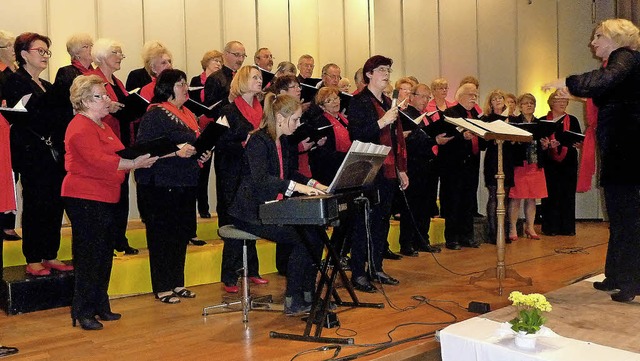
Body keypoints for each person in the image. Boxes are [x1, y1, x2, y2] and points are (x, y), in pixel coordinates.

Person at [542, 18, 640, 302]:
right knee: (620, 218)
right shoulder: (622, 65)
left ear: (617, 38)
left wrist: (568, 81)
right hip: (622, 153)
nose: (593, 42)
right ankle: (616, 276)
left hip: (629, 154)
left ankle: (630, 282)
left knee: (627, 219)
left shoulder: (626, 58)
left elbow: (603, 82)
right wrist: (574, 92)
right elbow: (604, 90)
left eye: (599, 36)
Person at [63, 75, 158, 330]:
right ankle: (82, 311)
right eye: (100, 96)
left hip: (106, 195)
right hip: (85, 196)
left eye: (106, 95)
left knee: (104, 254)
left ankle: (100, 304)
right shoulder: (79, 126)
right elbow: (99, 161)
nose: (107, 100)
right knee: (88, 255)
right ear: (84, 100)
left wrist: (148, 155)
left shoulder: (103, 126)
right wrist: (134, 164)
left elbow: (121, 153)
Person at [228, 93, 328, 315]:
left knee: (316, 235)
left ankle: (308, 295)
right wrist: (298, 188)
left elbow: (289, 172)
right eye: (295, 119)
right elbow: (261, 180)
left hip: (271, 208)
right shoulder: (258, 141)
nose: (298, 124)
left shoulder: (281, 140)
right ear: (280, 118)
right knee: (303, 239)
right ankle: (293, 299)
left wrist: (313, 183)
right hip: (250, 212)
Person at [135, 69, 212, 304]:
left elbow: (192, 143)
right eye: (180, 84)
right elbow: (145, 148)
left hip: (185, 181)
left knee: (180, 234)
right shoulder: (156, 114)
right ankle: (162, 286)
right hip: (160, 182)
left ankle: (177, 282)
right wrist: (176, 153)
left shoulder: (187, 112)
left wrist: (200, 154)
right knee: (162, 236)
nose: (185, 87)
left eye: (186, 83)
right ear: (167, 88)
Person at [4, 32, 72, 276]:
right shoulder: (14, 81)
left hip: (53, 151)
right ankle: (33, 258)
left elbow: (59, 117)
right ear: (24, 54)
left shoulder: (48, 85)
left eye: (46, 52)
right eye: (39, 51)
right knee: (35, 204)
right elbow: (26, 116)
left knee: (55, 203)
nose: (45, 56)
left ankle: (50, 254)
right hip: (32, 151)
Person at [347, 55, 406, 290]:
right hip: (368, 170)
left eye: (388, 70)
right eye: (381, 70)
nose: (386, 74)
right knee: (364, 223)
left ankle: (376, 267)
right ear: (369, 74)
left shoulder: (386, 103)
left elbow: (395, 141)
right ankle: (359, 272)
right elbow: (357, 135)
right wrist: (382, 122)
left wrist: (402, 170)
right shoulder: (359, 101)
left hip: (388, 170)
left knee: (381, 221)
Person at [216, 65, 267, 293]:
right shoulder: (227, 110)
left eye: (260, 77)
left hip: (254, 173)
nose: (259, 80)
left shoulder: (263, 110)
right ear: (243, 81)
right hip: (233, 173)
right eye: (255, 77)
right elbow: (221, 143)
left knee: (253, 220)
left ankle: (252, 270)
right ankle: (229, 275)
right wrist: (244, 142)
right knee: (235, 221)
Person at [90, 38, 139, 256]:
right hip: (103, 141)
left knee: (122, 193)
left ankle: (119, 237)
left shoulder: (117, 82)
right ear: (101, 56)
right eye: (116, 52)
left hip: (121, 140)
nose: (121, 57)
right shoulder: (91, 80)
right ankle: (107, 240)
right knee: (107, 194)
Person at [439, 83, 485, 250]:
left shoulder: (475, 115)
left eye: (476, 95)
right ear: (461, 96)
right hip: (454, 166)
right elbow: (445, 139)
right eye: (471, 95)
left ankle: (467, 236)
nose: (474, 98)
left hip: (471, 164)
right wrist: (461, 137)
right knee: (454, 202)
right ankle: (452, 238)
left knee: (468, 201)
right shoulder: (451, 113)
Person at [398, 83, 441, 256]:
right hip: (412, 165)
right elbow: (407, 142)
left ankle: (423, 239)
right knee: (411, 205)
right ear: (412, 97)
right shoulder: (406, 116)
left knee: (425, 204)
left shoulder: (426, 117)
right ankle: (407, 242)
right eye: (422, 96)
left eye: (427, 97)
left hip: (428, 164)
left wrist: (435, 138)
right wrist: (433, 140)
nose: (425, 100)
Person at [507, 93, 552, 242]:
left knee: (532, 197)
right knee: (516, 197)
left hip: (535, 164)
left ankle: (530, 226)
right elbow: (508, 145)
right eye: (525, 103)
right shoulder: (514, 122)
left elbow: (542, 144)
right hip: (520, 164)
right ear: (520, 106)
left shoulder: (540, 124)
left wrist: (545, 146)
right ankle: (513, 228)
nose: (529, 105)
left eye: (531, 103)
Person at [540, 90, 581, 236]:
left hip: (568, 162)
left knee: (567, 193)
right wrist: (546, 144)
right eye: (559, 101)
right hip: (550, 161)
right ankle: (550, 227)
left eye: (565, 101)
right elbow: (538, 141)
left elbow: (578, 139)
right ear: (551, 102)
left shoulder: (573, 120)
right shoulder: (543, 120)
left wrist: (577, 144)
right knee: (550, 194)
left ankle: (567, 228)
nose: (563, 103)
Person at [190, 49, 223, 219]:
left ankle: (216, 206)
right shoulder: (197, 80)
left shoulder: (222, 80)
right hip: (201, 127)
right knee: (202, 168)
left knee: (219, 168)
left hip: (217, 126)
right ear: (206, 62)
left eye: (220, 61)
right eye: (214, 60)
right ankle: (203, 207)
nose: (218, 63)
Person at [481, 89, 515, 244]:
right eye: (494, 98)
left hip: (507, 158)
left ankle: (505, 232)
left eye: (500, 97)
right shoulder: (486, 119)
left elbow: (518, 142)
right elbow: (482, 143)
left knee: (506, 195)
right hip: (493, 159)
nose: (498, 100)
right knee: (494, 194)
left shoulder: (512, 118)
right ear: (490, 103)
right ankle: (493, 233)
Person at [0, 29, 20, 242]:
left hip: (16, 131)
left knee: (12, 177)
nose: (13, 51)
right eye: (8, 47)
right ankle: (5, 225)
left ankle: (8, 223)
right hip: (4, 130)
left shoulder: (14, 73)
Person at [52, 33, 94, 125]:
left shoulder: (96, 73)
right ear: (76, 53)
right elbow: (62, 104)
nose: (91, 49)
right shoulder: (66, 72)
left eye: (92, 45)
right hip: (75, 122)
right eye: (86, 46)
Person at [204, 40, 246, 113]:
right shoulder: (214, 78)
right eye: (237, 55)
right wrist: (229, 100)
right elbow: (210, 110)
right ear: (225, 54)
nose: (241, 59)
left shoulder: (243, 78)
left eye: (243, 56)